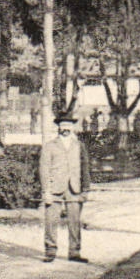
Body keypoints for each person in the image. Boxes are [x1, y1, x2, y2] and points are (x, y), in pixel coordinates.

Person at [40, 109, 89, 263]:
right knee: (51, 221)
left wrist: (85, 189)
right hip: (54, 188)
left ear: (73, 127)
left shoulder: (79, 145)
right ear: (58, 127)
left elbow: (85, 167)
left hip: (74, 188)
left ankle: (74, 252)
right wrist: (46, 191)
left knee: (74, 221)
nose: (66, 128)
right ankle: (50, 251)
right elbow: (44, 168)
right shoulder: (49, 146)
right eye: (63, 125)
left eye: (68, 125)